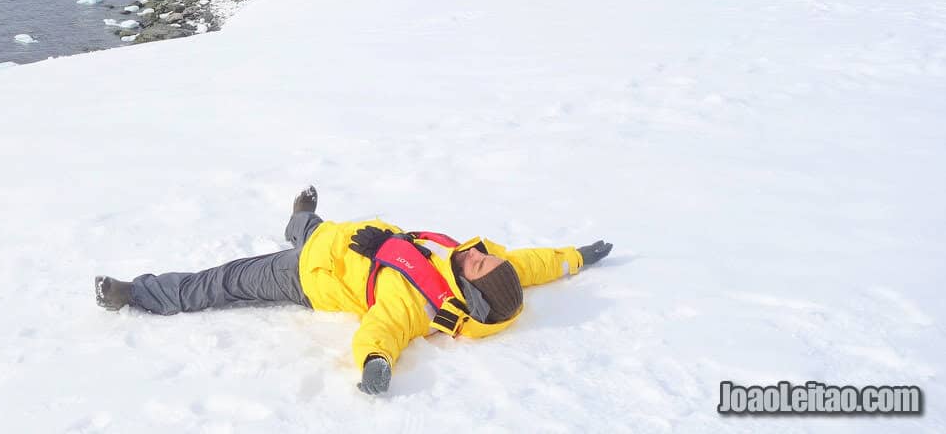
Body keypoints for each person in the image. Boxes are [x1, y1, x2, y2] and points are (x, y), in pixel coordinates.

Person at [95, 186, 612, 395]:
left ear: (472, 291)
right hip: (337, 239)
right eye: (484, 255)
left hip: (308, 277)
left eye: (477, 263)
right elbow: (531, 263)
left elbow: (381, 330)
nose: (475, 252)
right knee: (310, 229)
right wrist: (576, 258)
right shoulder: (489, 268)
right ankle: (300, 218)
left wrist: (376, 365)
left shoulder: (420, 303)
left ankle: (138, 295)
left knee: (221, 282)